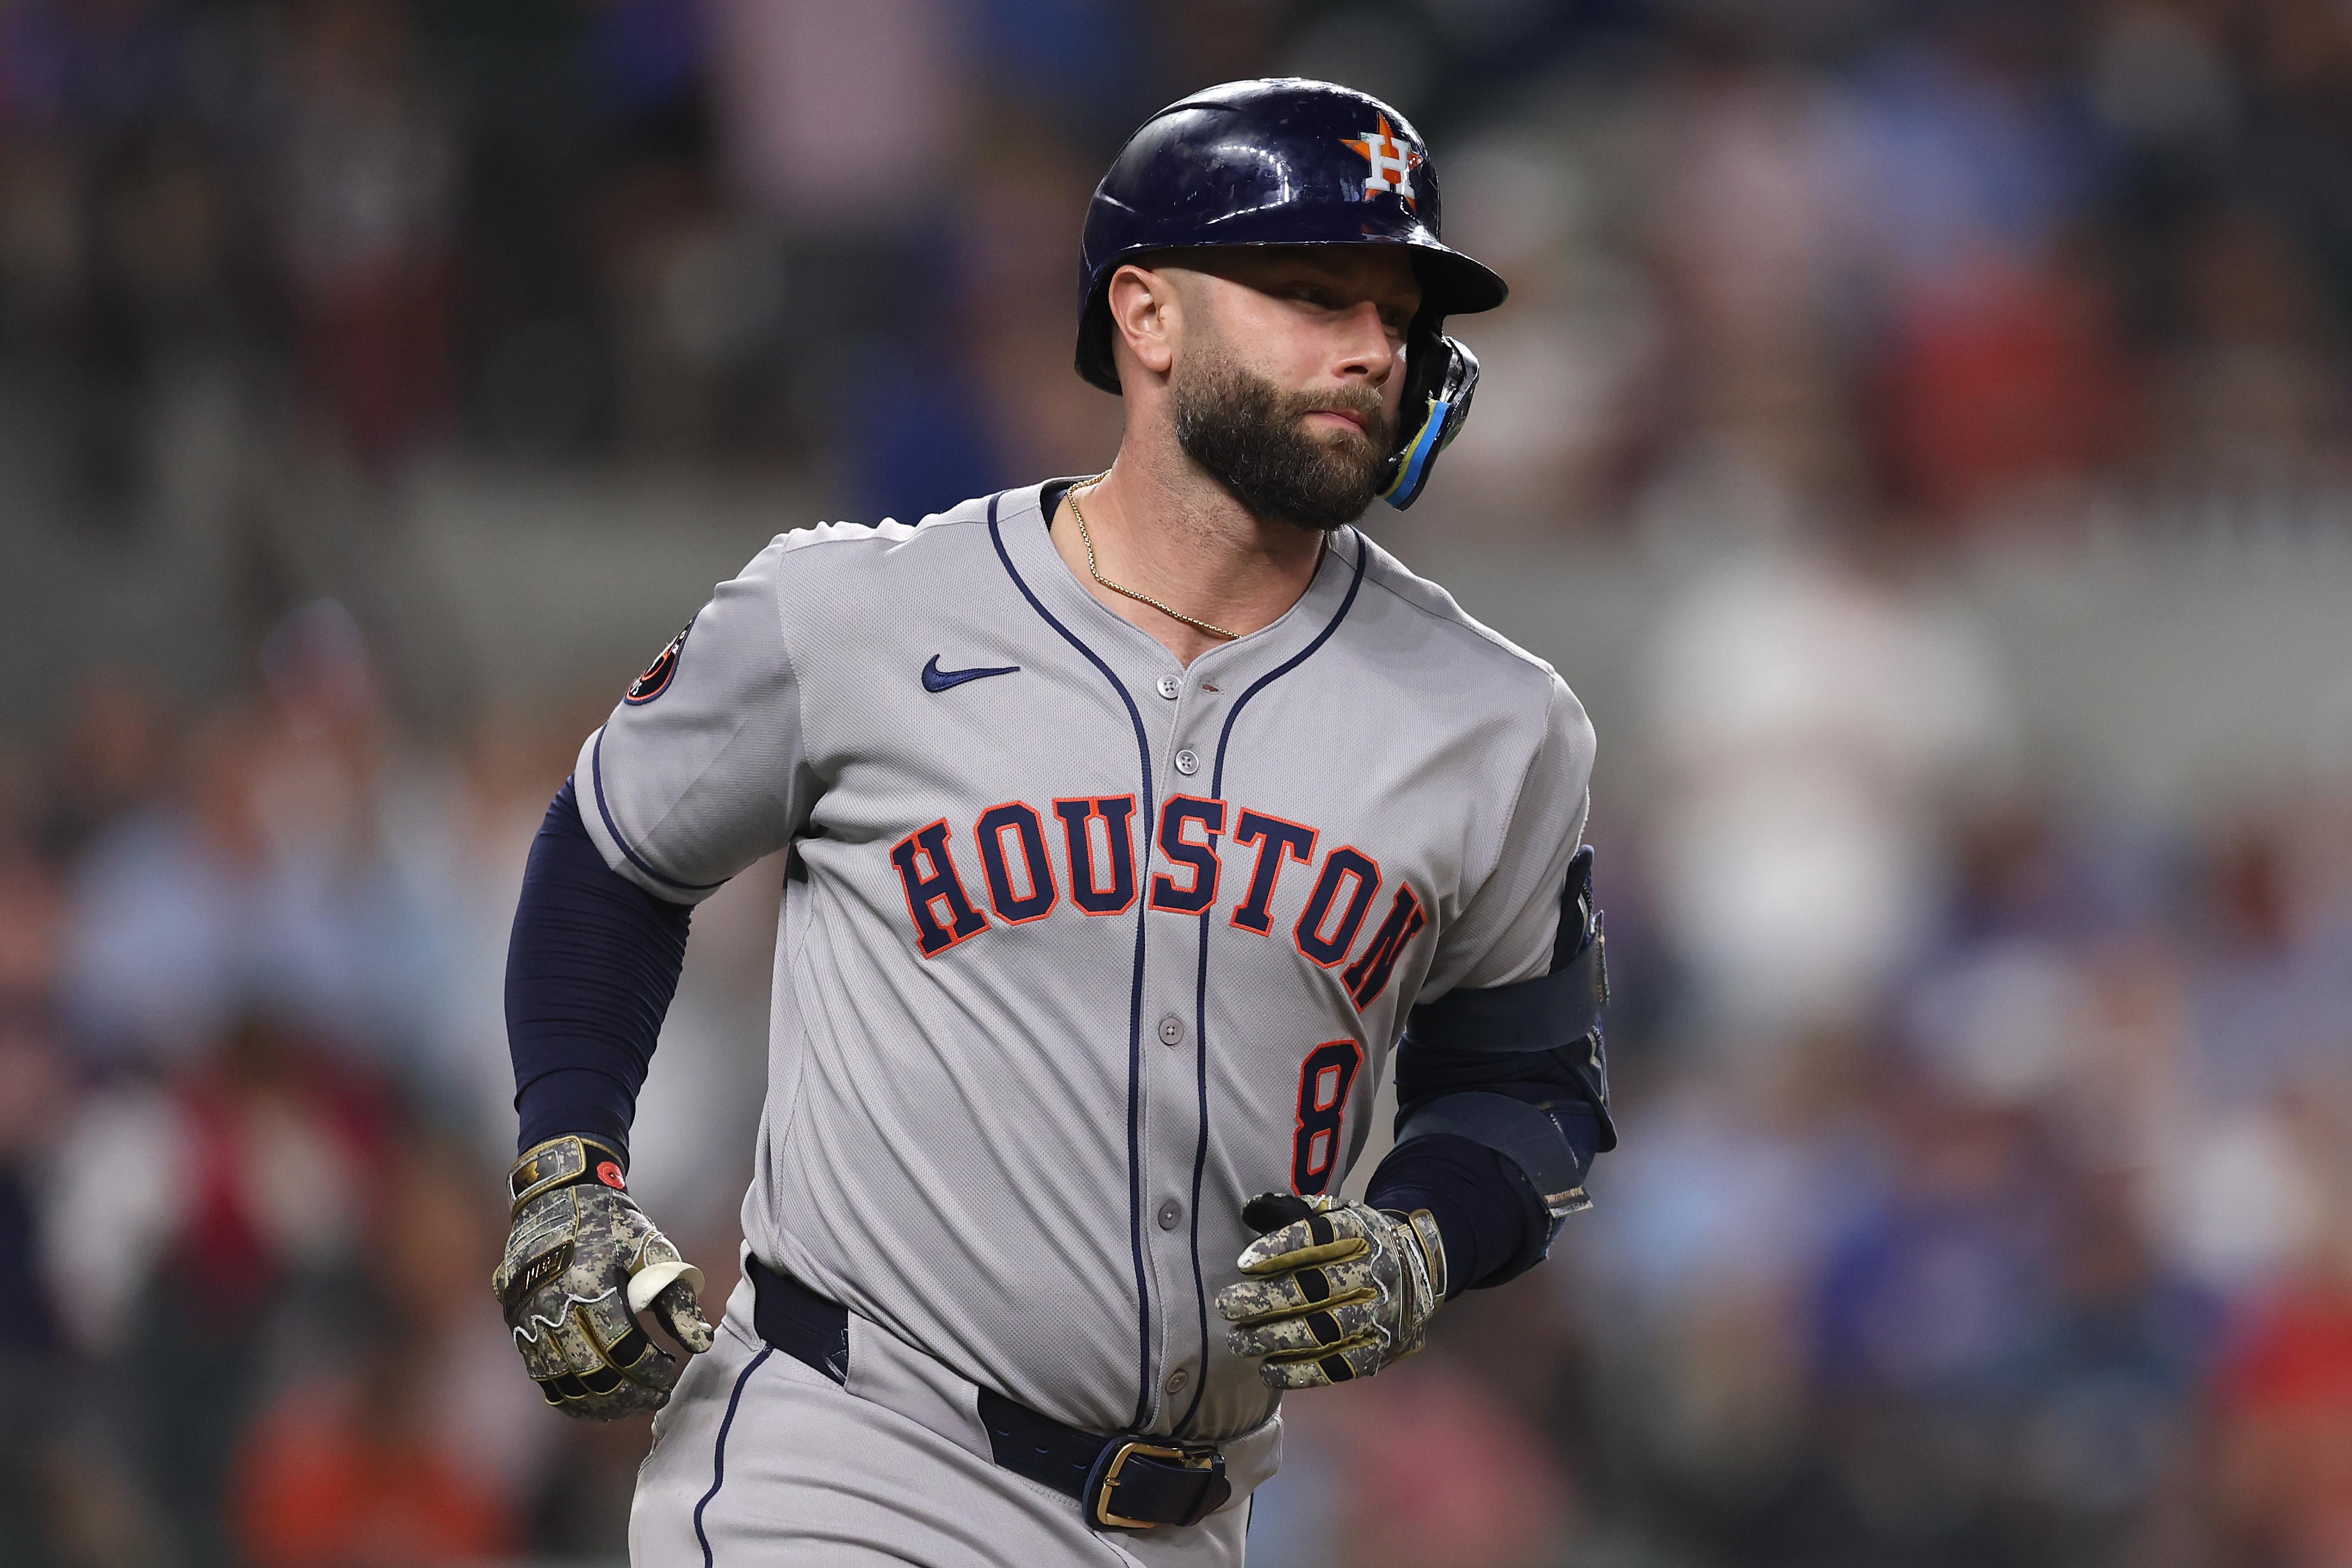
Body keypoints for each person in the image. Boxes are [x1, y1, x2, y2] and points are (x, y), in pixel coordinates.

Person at [492, 79, 1615, 1566]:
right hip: (843, 1459)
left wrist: (1420, 1235)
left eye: (1395, 309)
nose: (1370, 346)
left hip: (1184, 1517)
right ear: (1145, 318)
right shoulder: (858, 612)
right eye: (1309, 291)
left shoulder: (1495, 721)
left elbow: (1529, 1085)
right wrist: (571, 1165)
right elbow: (613, 847)